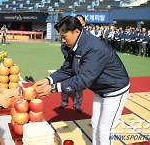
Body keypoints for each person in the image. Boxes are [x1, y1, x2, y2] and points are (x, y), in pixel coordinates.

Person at [33, 16, 130, 145]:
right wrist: (49, 80)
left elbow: (84, 79)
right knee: (95, 124)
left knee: (106, 129)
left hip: (115, 90)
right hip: (100, 89)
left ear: (77, 31)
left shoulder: (94, 48)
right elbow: (68, 68)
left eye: (64, 36)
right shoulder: (77, 43)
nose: (62, 41)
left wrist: (54, 88)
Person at [60, 15, 85, 113]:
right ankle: (64, 101)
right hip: (70, 63)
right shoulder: (68, 33)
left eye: (80, 21)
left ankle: (77, 104)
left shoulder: (86, 36)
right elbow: (63, 47)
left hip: (80, 65)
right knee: (66, 82)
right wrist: (71, 55)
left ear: (83, 23)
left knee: (79, 85)